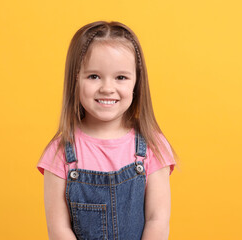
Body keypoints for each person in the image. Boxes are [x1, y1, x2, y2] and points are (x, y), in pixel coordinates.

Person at [36, 20, 179, 240]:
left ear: (136, 82)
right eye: (94, 76)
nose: (107, 88)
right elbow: (58, 229)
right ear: (75, 79)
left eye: (121, 77)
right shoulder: (60, 153)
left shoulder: (152, 146)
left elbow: (157, 219)